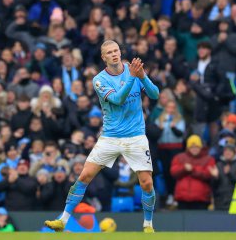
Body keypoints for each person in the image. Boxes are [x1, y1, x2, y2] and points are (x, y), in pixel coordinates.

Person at [44, 40, 159, 233]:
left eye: (116, 50)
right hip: (110, 136)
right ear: (103, 57)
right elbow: (117, 99)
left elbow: (154, 94)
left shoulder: (133, 69)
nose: (115, 54)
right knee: (85, 175)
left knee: (147, 182)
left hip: (136, 135)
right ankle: (62, 220)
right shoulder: (99, 80)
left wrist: (143, 77)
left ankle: (148, 225)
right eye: (110, 52)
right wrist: (132, 77)